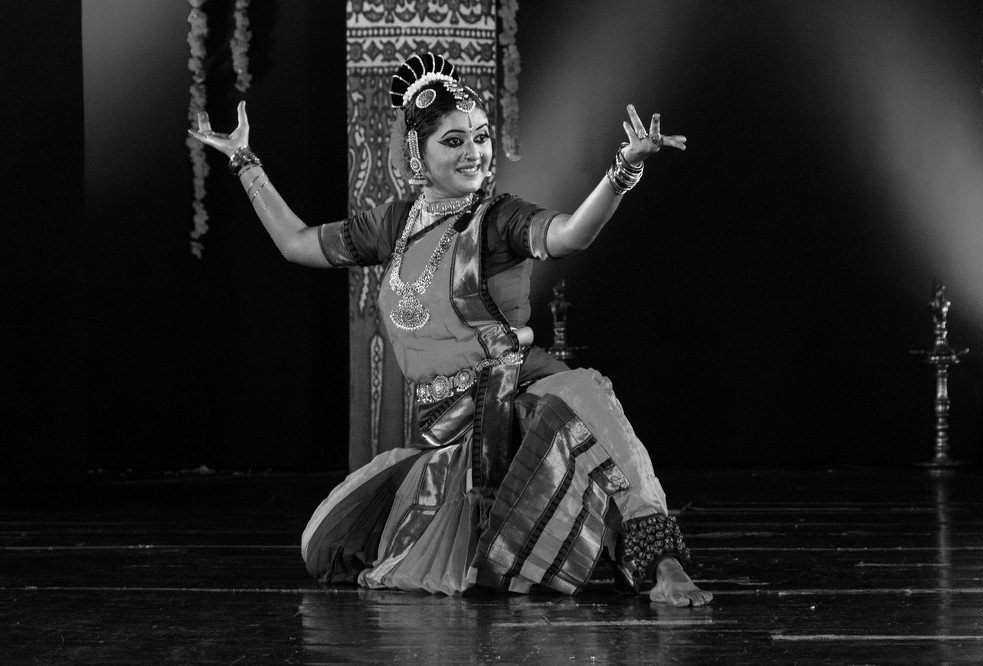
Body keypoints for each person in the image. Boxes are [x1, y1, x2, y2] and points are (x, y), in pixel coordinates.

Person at [188, 53, 712, 607]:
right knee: (328, 545)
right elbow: (297, 243)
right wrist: (245, 160)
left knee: (585, 400)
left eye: (481, 137)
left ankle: (661, 562)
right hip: (443, 430)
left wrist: (622, 173)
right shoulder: (395, 224)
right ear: (418, 152)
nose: (475, 152)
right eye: (455, 141)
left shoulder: (499, 218)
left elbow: (568, 236)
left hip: (515, 397)